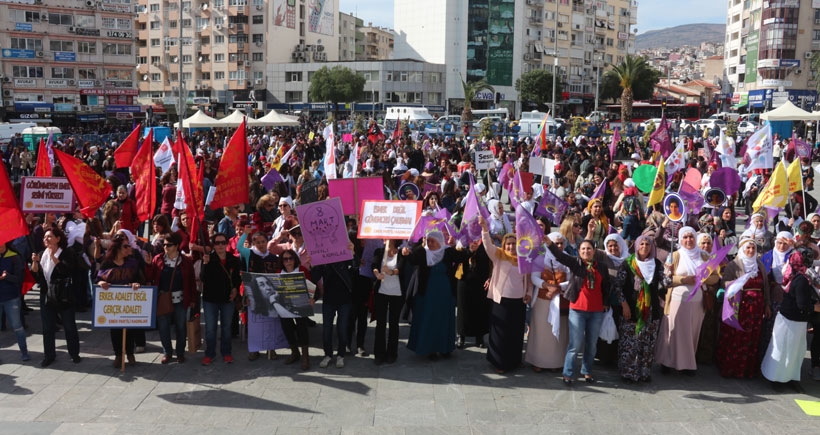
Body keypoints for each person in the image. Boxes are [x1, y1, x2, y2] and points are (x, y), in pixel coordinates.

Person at [545, 237, 611, 385]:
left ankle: (587, 371)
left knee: (592, 344)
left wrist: (605, 303)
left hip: (596, 312)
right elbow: (560, 256)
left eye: (589, 249)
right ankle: (568, 373)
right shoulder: (576, 263)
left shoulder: (601, 266)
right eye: (583, 249)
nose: (586, 251)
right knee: (575, 344)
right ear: (579, 252)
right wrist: (549, 243)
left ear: (594, 251)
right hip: (577, 310)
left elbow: (606, 286)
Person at [655, 227, 720, 375]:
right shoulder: (675, 256)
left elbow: (715, 276)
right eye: (685, 237)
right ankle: (667, 362)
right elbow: (666, 280)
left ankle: (686, 364)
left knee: (692, 332)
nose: (688, 240)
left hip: (697, 302)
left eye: (691, 237)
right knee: (674, 331)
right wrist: (684, 279)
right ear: (680, 239)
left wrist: (702, 278)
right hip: (677, 300)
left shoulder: (704, 256)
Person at [401, 230, 467, 359]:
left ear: (439, 241)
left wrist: (458, 246)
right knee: (429, 319)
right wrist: (407, 252)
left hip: (445, 292)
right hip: (427, 293)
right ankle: (430, 348)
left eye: (433, 241)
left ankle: (444, 348)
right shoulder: (423, 251)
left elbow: (463, 257)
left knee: (444, 319)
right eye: (428, 240)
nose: (430, 243)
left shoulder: (447, 251)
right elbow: (412, 259)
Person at [479, 218, 531, 374]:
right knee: (500, 333)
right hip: (501, 300)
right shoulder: (498, 255)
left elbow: (528, 280)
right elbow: (487, 244)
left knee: (515, 332)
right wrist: (484, 229)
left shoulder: (523, 259)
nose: (511, 247)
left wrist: (528, 293)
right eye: (508, 244)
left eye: (514, 244)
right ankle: (499, 362)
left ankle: (515, 360)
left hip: (518, 301)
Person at [761, 247, 820, 384]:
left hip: (791, 320)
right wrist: (816, 307)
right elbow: (802, 305)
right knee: (786, 352)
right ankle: (776, 379)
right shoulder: (802, 280)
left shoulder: (795, 274)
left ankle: (787, 378)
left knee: (790, 352)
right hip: (792, 321)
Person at [613, 235, 665, 383]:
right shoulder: (628, 263)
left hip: (651, 310)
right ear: (636, 246)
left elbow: (665, 283)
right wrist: (624, 305)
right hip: (632, 310)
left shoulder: (656, 263)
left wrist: (669, 273)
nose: (644, 247)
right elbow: (618, 287)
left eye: (647, 244)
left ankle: (644, 372)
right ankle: (628, 373)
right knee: (630, 343)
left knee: (647, 343)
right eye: (641, 244)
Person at [717, 237, 770, 378]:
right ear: (742, 249)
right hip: (739, 307)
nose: (751, 251)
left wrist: (767, 305)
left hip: (756, 309)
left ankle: (747, 370)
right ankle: (732, 368)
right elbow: (724, 283)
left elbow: (765, 287)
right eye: (748, 248)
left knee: (752, 337)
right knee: (736, 336)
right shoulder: (734, 265)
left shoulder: (759, 266)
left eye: (753, 248)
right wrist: (737, 283)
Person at [31, 228, 82, 367]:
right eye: (45, 237)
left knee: (69, 326)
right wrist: (35, 263)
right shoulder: (42, 254)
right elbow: (38, 276)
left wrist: (54, 256)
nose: (46, 239)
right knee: (47, 328)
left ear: (58, 238)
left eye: (49, 236)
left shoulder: (66, 252)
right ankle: (49, 355)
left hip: (63, 295)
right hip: (47, 295)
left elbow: (67, 270)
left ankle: (74, 353)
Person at [97, 233, 145, 367]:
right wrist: (101, 283)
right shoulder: (107, 262)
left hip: (129, 300)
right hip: (113, 302)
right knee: (115, 329)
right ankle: (118, 354)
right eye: (125, 246)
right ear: (117, 248)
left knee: (129, 327)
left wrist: (136, 284)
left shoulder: (133, 262)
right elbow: (98, 278)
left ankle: (130, 352)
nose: (128, 248)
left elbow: (140, 279)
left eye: (129, 245)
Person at [147, 232, 196, 364]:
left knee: (181, 326)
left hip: (180, 299)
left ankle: (180, 352)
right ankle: (167, 352)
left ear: (177, 246)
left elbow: (191, 281)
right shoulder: (158, 259)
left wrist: (192, 299)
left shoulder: (185, 261)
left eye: (169, 245)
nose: (165, 247)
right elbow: (150, 276)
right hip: (162, 299)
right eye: (164, 244)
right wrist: (147, 264)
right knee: (163, 327)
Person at [527, 232, 571, 372]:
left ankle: (556, 363)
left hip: (560, 299)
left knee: (559, 333)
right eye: (555, 243)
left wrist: (558, 287)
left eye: (561, 243)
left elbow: (572, 280)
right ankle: (538, 361)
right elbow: (534, 278)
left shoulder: (567, 259)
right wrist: (547, 286)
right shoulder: (540, 258)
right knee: (541, 332)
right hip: (542, 300)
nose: (558, 246)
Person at [200, 232, 241, 366]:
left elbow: (237, 279)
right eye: (217, 243)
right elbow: (203, 278)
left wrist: (235, 289)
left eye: (223, 242)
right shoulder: (208, 259)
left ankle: (226, 353)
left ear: (227, 244)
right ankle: (209, 354)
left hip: (227, 299)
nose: (220, 246)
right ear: (213, 245)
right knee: (211, 329)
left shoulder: (233, 260)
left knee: (226, 328)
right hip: (210, 299)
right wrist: (206, 265)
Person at [278, 248, 314, 370]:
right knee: (287, 328)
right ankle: (294, 352)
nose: (288, 261)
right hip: (285, 306)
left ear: (295, 259)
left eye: (290, 258)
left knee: (302, 328)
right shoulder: (279, 272)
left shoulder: (302, 270)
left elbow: (311, 286)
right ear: (282, 261)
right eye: (285, 259)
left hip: (300, 304)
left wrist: (312, 299)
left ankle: (305, 356)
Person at [372, 240, 406, 365]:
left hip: (397, 293)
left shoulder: (401, 253)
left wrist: (390, 272)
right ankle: (379, 354)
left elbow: (400, 269)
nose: (386, 240)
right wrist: (377, 273)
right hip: (381, 292)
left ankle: (392, 353)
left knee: (393, 323)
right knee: (380, 323)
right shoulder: (379, 251)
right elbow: (374, 265)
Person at [454, 238, 491, 349]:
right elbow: (458, 259)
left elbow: (491, 261)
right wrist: (469, 251)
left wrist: (490, 276)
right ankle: (461, 335)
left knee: (480, 308)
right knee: (463, 308)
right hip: (464, 279)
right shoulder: (462, 242)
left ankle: (479, 337)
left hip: (481, 280)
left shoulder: (485, 239)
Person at [0, 242, 29, 361]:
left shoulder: (14, 256)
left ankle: (24, 352)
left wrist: (7, 276)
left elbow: (19, 279)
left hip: (11, 298)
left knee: (17, 327)